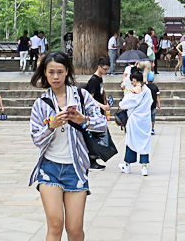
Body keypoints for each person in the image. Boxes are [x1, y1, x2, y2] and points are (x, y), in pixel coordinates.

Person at [29, 50, 107, 241]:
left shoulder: (81, 96)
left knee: (75, 230)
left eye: (60, 72)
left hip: (76, 168)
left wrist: (83, 119)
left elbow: (102, 124)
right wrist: (51, 126)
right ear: (44, 74)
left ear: (67, 72)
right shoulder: (41, 104)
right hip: (50, 168)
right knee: (55, 226)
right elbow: (37, 139)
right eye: (51, 72)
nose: (56, 77)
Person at [118, 67, 154, 176]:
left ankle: (128, 165)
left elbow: (123, 104)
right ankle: (144, 167)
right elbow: (151, 102)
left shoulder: (132, 93)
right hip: (145, 120)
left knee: (131, 141)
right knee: (144, 142)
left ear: (133, 80)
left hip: (134, 120)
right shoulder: (147, 91)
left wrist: (127, 94)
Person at [84, 57, 112, 170]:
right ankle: (91, 160)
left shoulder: (100, 79)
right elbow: (90, 98)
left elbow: (102, 92)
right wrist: (102, 106)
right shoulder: (93, 80)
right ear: (99, 67)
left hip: (100, 111)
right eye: (104, 69)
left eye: (107, 70)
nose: (106, 71)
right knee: (95, 137)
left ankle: (94, 159)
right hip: (94, 112)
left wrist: (105, 103)